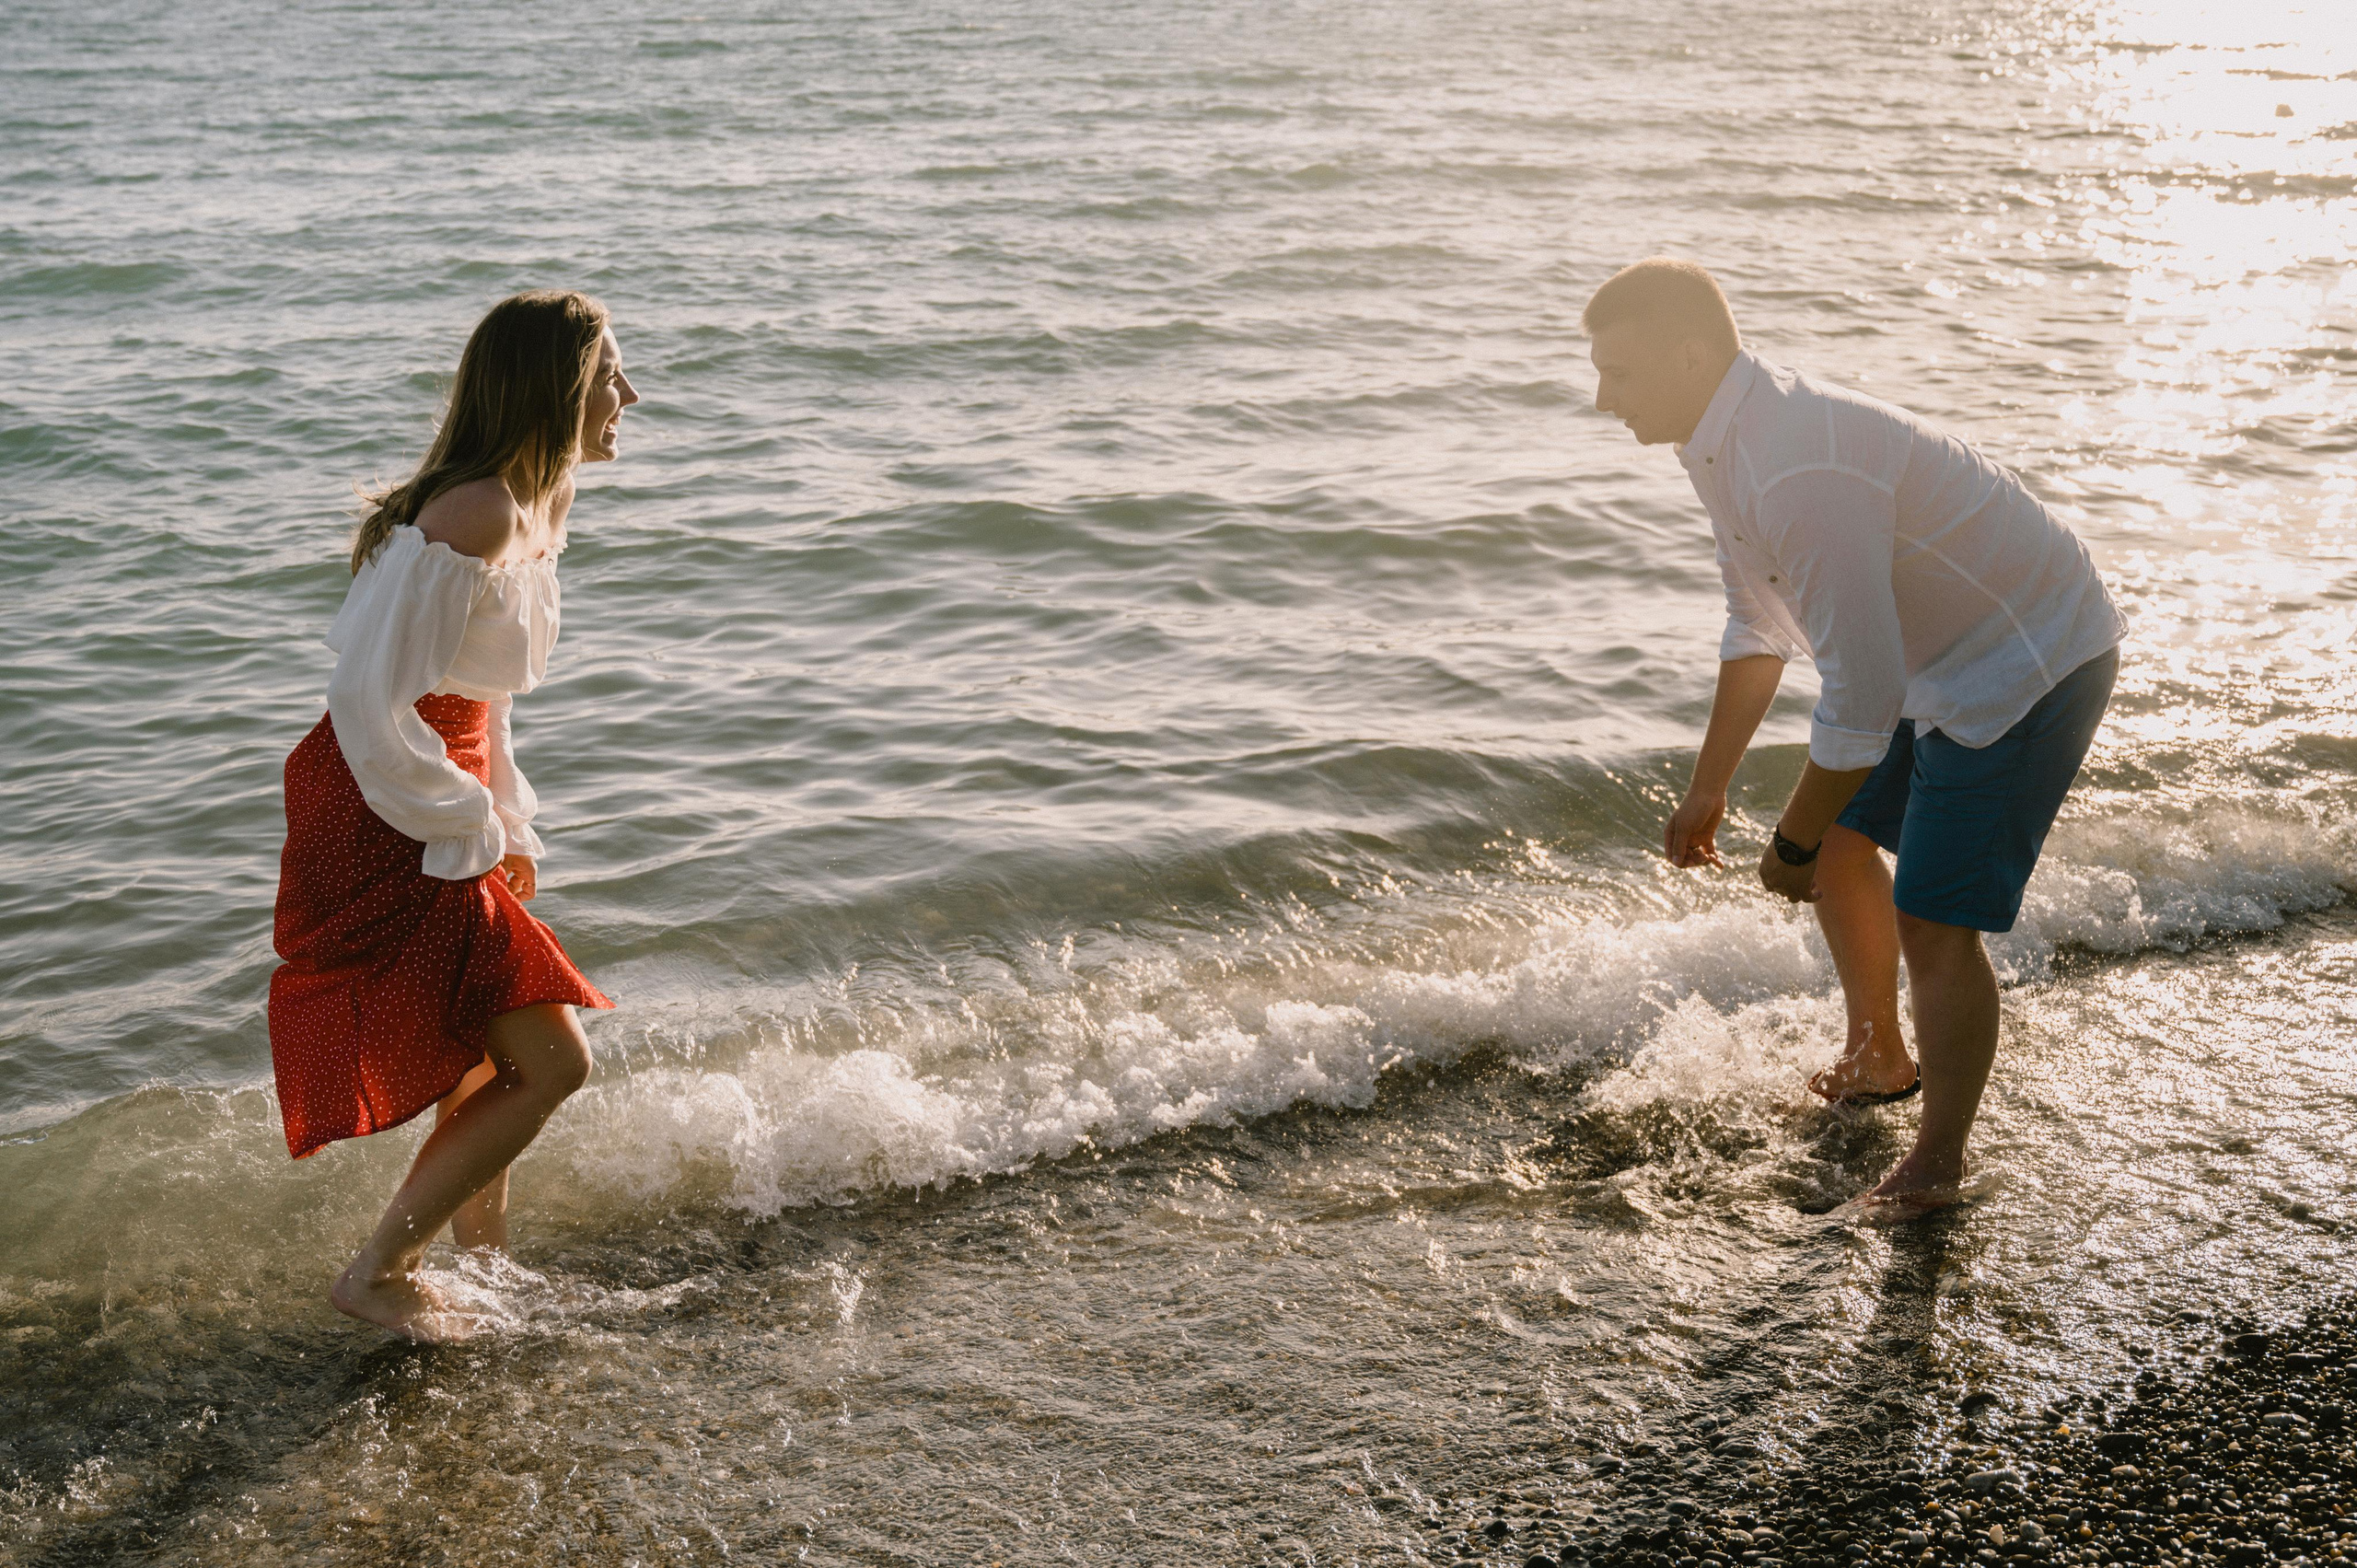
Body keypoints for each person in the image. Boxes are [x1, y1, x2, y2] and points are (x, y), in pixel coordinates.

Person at [1585, 258, 2124, 1212]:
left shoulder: (1795, 464)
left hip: (2029, 654)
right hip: (1936, 654)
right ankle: (1878, 1055)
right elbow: (1756, 624)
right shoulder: (1719, 439)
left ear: (1690, 356)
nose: (1602, 399)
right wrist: (1710, 786)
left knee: (1931, 916)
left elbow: (1863, 696)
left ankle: (1939, 1164)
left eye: (1618, 373)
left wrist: (1788, 845)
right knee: (1844, 838)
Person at [268, 289, 639, 1337]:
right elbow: (365, 697)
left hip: (440, 782)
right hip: (383, 793)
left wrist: (505, 818)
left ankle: (487, 1269)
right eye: (611, 375)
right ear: (558, 388)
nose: (630, 395)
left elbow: (486, 695)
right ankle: (377, 1271)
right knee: (556, 1060)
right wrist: (461, 818)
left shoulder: (537, 506)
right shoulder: (477, 510)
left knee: (483, 1046)